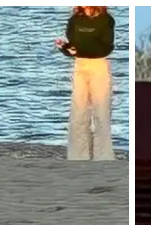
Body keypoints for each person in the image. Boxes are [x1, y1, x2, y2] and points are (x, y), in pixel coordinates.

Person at [56, 6, 115, 161]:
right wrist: (65, 48)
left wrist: (80, 51)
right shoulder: (74, 20)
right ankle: (77, 156)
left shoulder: (106, 20)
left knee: (101, 112)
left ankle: (104, 157)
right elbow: (73, 45)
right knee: (78, 111)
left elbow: (106, 48)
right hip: (80, 65)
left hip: (98, 66)